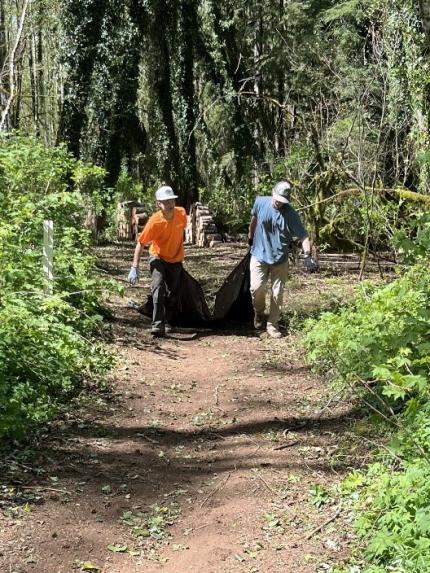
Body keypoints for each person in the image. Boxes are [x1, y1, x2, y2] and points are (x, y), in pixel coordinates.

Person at [248, 180, 318, 338]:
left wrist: (307, 255)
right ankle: (259, 313)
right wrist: (250, 237)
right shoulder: (260, 202)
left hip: (280, 258)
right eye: (277, 199)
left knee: (277, 292)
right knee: (256, 288)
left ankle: (273, 324)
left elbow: (304, 236)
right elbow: (254, 221)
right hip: (259, 254)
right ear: (273, 193)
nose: (278, 203)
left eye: (282, 201)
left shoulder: (291, 214)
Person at [127, 185, 187, 337]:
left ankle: (168, 322)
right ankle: (157, 325)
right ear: (158, 204)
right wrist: (135, 267)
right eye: (165, 201)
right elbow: (141, 243)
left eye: (171, 200)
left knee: (173, 293)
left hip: (176, 259)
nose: (170, 204)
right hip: (158, 257)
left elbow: (180, 233)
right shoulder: (154, 222)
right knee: (158, 289)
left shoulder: (181, 213)